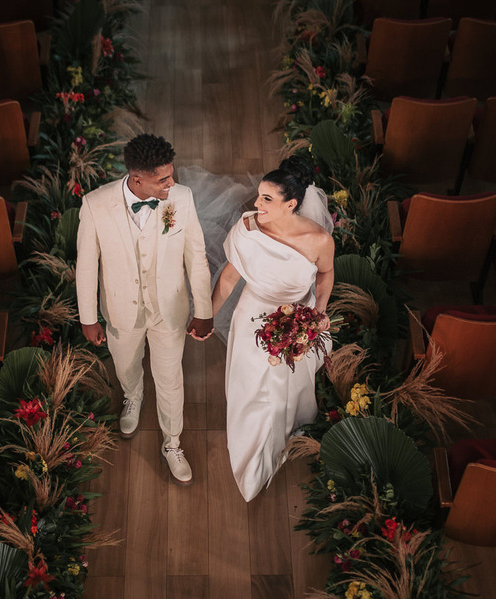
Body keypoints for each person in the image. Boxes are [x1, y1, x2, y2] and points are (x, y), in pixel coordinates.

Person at [75, 134, 214, 485]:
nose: (172, 183)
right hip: (121, 310)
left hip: (169, 308)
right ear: (137, 179)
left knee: (170, 379)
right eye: (162, 179)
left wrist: (204, 308)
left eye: (171, 175)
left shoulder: (180, 198)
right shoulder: (95, 204)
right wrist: (88, 317)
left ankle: (172, 443)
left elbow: (196, 255)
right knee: (126, 364)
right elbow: (87, 265)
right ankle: (133, 395)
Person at [210, 156, 335, 501]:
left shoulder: (319, 240)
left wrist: (318, 312)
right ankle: (251, 450)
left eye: (266, 199)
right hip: (253, 313)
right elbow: (230, 277)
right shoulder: (248, 230)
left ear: (291, 204)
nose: (255, 204)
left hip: (297, 317)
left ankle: (288, 428)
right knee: (252, 385)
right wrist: (206, 315)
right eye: (258, 196)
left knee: (286, 384)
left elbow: (325, 274)